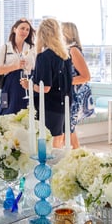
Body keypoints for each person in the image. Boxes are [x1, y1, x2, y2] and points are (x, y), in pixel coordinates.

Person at [21, 18, 72, 149]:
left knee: (46, 146)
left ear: (41, 34)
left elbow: (45, 88)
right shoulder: (65, 56)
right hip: (62, 105)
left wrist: (29, 85)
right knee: (57, 144)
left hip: (47, 107)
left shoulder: (44, 57)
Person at [0, 18, 36, 115]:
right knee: (5, 109)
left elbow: (36, 68)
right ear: (14, 29)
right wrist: (15, 66)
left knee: (25, 113)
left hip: (26, 84)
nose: (25, 31)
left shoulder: (32, 48)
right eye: (22, 28)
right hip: (9, 86)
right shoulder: (5, 47)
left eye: (27, 29)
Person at [62, 22, 93, 149]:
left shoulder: (73, 50)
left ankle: (75, 158)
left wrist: (63, 81)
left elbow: (86, 76)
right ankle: (75, 158)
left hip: (75, 95)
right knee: (67, 129)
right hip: (69, 93)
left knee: (68, 128)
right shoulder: (68, 50)